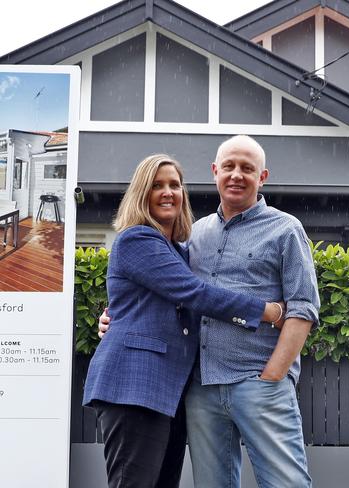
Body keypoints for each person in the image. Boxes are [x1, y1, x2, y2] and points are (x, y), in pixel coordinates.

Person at [84, 154, 285, 488]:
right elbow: (195, 293)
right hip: (135, 388)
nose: (168, 192)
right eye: (157, 185)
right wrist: (267, 311)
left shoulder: (177, 250)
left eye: (174, 185)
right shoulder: (138, 239)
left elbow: (140, 303)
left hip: (167, 394)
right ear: (141, 194)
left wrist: (108, 316)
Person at [184, 135, 320, 488]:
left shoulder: (286, 229)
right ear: (215, 171)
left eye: (247, 168)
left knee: (285, 484)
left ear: (263, 177)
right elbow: (174, 293)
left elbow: (303, 308)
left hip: (259, 384)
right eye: (228, 166)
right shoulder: (195, 233)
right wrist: (113, 318)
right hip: (203, 388)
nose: (236, 175)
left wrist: (272, 376)